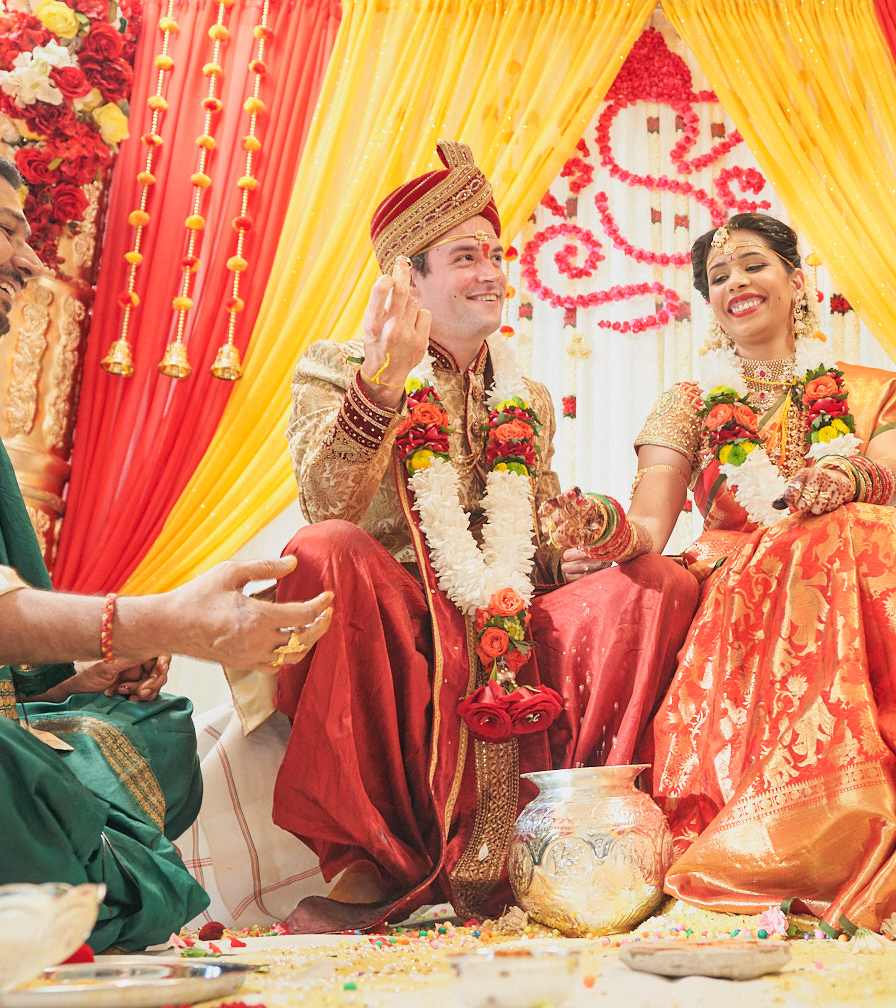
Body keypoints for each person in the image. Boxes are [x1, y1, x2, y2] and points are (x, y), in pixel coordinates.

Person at [0, 131, 334, 951]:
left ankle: (1, 897)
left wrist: (79, 674)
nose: (31, 260)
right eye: (6, 228)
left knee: (153, 730)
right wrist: (145, 619)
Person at [544, 213, 896, 933]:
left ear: (797, 282)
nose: (735, 282)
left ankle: (888, 836)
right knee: (824, 540)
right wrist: (603, 527)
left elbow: (892, 477)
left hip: (854, 569)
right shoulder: (690, 404)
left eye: (752, 265)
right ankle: (794, 842)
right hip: (737, 580)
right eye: (718, 277)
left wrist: (842, 475)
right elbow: (650, 523)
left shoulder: (874, 393)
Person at [260, 141, 700, 932]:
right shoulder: (336, 366)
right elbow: (324, 498)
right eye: (466, 256)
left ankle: (585, 838)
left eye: (497, 254)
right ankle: (367, 859)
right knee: (325, 549)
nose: (494, 272)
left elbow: (523, 544)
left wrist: (566, 548)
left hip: (504, 615)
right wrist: (381, 384)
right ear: (408, 279)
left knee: (657, 582)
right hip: (396, 621)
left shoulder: (523, 397)